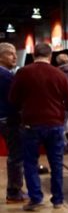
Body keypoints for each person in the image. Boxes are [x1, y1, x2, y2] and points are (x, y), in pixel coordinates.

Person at [9, 42, 68, 210]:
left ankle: (36, 198)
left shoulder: (23, 73)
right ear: (50, 56)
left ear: (33, 55)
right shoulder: (59, 75)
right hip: (55, 124)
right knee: (56, 163)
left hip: (31, 124)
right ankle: (58, 200)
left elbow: (13, 99)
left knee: (30, 163)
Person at [0, 42, 25, 203]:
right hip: (8, 119)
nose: (15, 56)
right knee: (16, 156)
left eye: (15, 53)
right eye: (10, 53)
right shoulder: (6, 76)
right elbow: (16, 98)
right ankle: (14, 192)